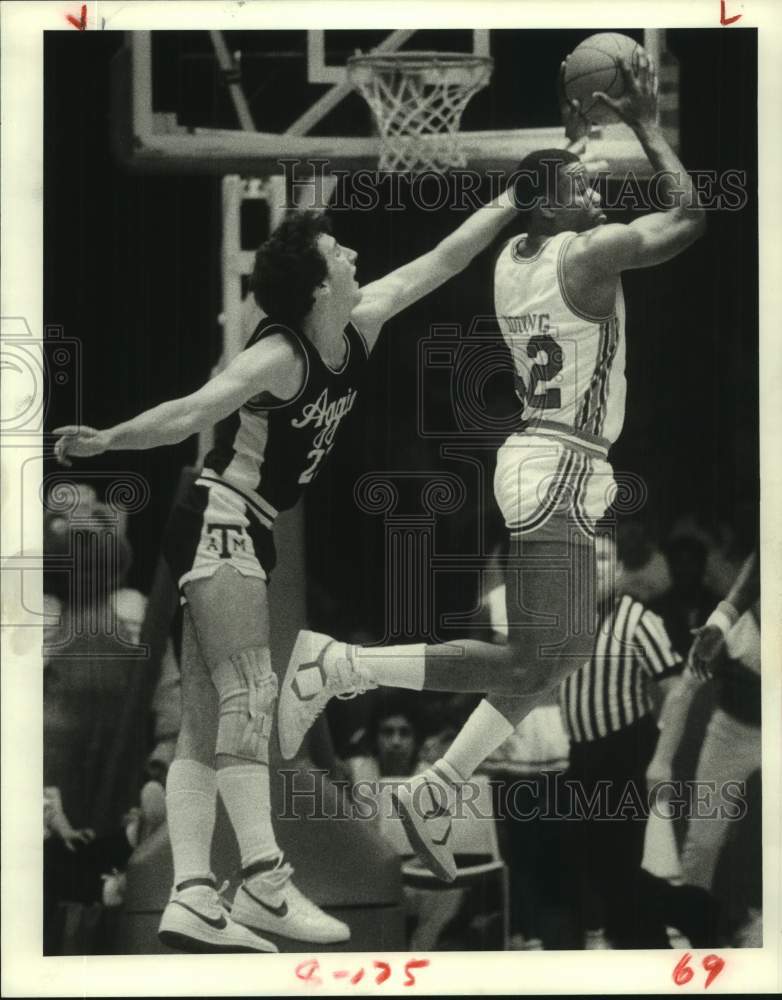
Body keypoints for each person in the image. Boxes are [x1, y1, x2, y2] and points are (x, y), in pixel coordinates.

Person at [53, 183, 527, 951]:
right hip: (221, 516)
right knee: (253, 694)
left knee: (205, 724)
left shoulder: (362, 320)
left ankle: (194, 894)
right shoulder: (278, 356)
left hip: (246, 527)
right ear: (316, 286)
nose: (354, 254)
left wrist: (511, 198)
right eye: (338, 252)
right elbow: (188, 412)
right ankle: (266, 881)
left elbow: (444, 260)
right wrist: (108, 440)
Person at [278, 52, 707, 883]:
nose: (595, 190)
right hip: (556, 464)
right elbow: (690, 218)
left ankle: (436, 789)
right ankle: (340, 665)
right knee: (528, 661)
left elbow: (546, 192)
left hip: (552, 459)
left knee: (565, 651)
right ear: (549, 208)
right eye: (580, 189)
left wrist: (571, 141)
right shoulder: (589, 257)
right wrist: (648, 126)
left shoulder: (515, 261)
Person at [558, 525, 682, 949]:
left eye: (604, 558)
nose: (594, 567)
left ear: (620, 568)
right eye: (586, 559)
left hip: (625, 752)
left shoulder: (638, 621)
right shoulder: (565, 624)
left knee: (620, 869)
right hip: (582, 755)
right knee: (593, 869)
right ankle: (632, 946)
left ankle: (653, 955)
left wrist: (661, 757)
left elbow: (677, 691)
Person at [645, 550, 761, 945]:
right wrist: (661, 760)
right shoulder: (731, 629)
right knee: (703, 840)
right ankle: (688, 929)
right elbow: (683, 691)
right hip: (732, 733)